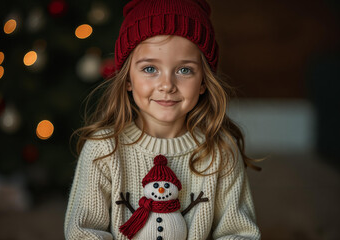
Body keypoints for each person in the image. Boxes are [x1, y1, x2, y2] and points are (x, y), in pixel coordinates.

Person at [64, 0, 261, 239]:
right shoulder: (103, 149)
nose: (167, 85)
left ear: (203, 82)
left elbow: (240, 233)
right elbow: (83, 232)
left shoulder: (221, 150)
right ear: (128, 79)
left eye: (184, 70)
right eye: (150, 69)